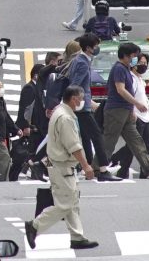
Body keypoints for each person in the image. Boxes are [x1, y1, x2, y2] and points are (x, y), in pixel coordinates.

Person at [23, 86, 98, 251]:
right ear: (73, 99)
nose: (82, 101)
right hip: (61, 165)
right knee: (65, 204)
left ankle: (77, 237)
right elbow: (73, 145)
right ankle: (35, 226)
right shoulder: (65, 118)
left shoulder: (60, 112)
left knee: (72, 201)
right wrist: (86, 166)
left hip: (58, 164)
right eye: (81, 98)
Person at [100, 43, 149, 179]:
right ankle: (97, 168)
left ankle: (148, 168)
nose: (135, 58)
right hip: (116, 110)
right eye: (134, 55)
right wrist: (136, 104)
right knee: (109, 141)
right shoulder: (119, 69)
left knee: (136, 141)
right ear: (125, 55)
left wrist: (131, 110)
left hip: (126, 111)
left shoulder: (125, 69)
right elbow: (120, 90)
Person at [67, 35, 121, 181]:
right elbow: (75, 85)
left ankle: (89, 167)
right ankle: (103, 170)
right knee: (97, 136)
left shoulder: (79, 60)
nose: (97, 48)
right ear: (89, 47)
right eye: (96, 45)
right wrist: (75, 102)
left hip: (81, 105)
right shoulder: (83, 63)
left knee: (84, 138)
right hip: (81, 108)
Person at [111, 53, 149, 179]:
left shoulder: (140, 80)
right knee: (138, 146)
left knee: (135, 146)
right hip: (136, 117)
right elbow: (129, 97)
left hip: (144, 117)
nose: (143, 65)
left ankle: (123, 168)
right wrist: (132, 111)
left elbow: (146, 102)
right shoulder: (131, 78)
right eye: (140, 63)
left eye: (145, 63)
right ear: (133, 64)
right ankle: (146, 170)